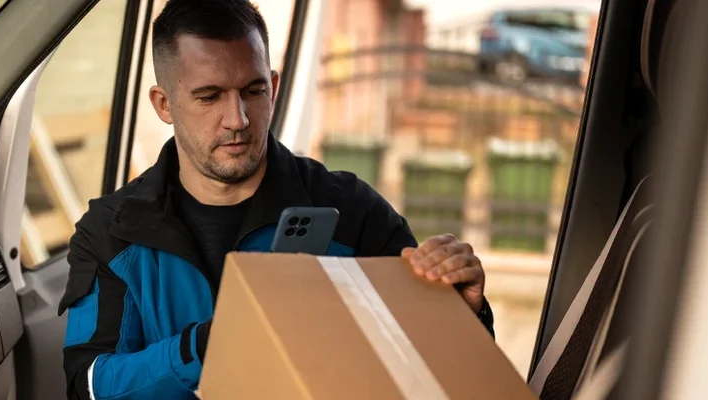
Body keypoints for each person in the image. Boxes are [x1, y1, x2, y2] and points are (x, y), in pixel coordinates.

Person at [58, 1, 493, 399]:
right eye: (210, 96)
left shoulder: (351, 211)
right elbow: (89, 384)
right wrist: (210, 344)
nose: (238, 120)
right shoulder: (111, 231)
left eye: (253, 90)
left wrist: (465, 314)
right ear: (164, 103)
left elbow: (437, 372)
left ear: (274, 86)